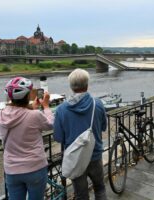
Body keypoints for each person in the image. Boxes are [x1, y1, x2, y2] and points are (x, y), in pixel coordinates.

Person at [53, 69, 107, 200]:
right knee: (99, 188)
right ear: (87, 85)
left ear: (71, 87)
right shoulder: (97, 104)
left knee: (81, 195)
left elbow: (58, 137)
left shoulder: (61, 110)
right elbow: (104, 127)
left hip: (75, 159)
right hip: (95, 155)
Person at [0, 77, 54, 200]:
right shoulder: (34, 115)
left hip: (12, 170)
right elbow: (50, 124)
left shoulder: (0, 115)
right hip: (35, 167)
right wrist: (46, 106)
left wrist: (32, 107)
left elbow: (19, 115)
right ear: (27, 95)